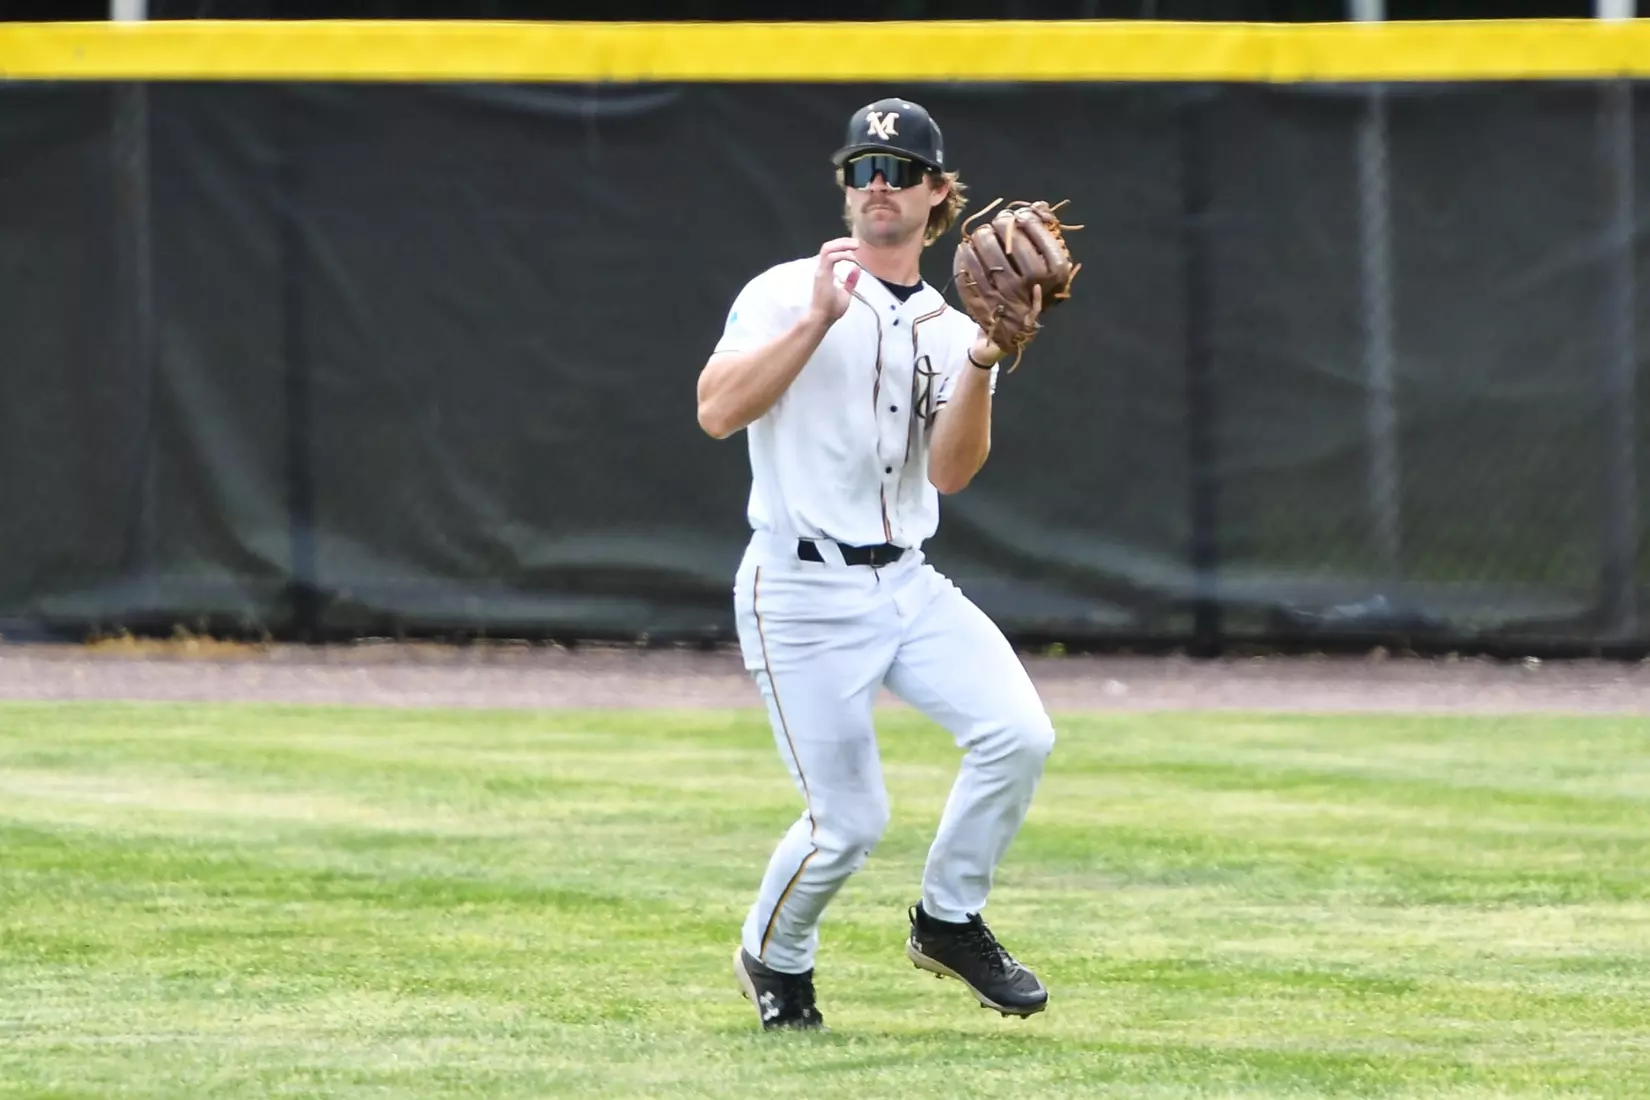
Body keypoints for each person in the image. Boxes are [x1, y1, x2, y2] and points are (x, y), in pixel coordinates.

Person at [695, 96, 1058, 1031]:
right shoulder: (784, 290)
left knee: (1020, 736)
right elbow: (716, 410)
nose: (879, 185)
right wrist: (816, 321)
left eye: (900, 172)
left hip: (907, 580)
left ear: (939, 194)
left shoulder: (952, 320)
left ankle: (949, 917)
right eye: (863, 170)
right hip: (801, 587)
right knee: (847, 824)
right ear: (846, 187)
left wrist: (983, 359)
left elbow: (952, 473)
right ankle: (774, 959)